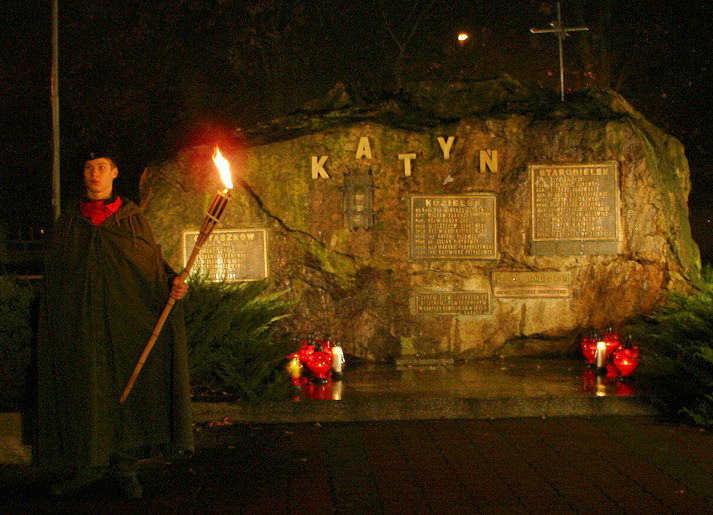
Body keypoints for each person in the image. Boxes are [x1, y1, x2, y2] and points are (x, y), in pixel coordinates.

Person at [34, 149, 194, 500]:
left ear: (114, 172)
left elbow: (150, 267)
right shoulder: (69, 223)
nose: (95, 174)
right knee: (85, 391)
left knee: (126, 388)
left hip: (125, 325)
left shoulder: (131, 219)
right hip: (81, 328)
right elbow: (57, 280)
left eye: (101, 167)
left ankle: (125, 467)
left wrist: (172, 284)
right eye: (89, 167)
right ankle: (86, 466)